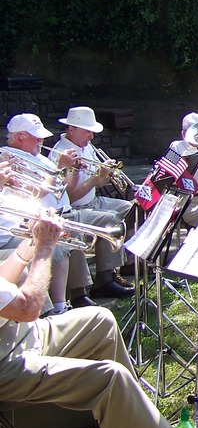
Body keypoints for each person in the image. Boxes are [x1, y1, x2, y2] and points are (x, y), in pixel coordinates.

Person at [0, 210, 198, 428]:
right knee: (110, 378)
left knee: (99, 321)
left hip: (13, 334)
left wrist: (24, 251)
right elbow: (28, 308)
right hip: (5, 360)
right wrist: (43, 249)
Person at [4, 113, 107, 312]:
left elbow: (64, 188)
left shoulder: (38, 157)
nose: (41, 140)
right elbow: (35, 191)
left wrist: (72, 170)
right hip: (24, 223)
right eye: (36, 136)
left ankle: (74, 297)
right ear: (19, 138)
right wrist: (59, 167)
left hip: (58, 212)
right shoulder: (9, 158)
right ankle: (58, 307)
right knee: (58, 242)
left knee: (65, 237)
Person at [49, 106, 134, 299]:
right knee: (111, 220)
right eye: (87, 131)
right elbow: (68, 197)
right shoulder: (60, 154)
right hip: (78, 206)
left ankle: (125, 264)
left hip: (93, 200)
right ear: (71, 130)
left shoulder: (87, 147)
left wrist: (105, 175)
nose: (91, 136)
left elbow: (98, 181)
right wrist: (95, 181)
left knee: (132, 209)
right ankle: (105, 279)